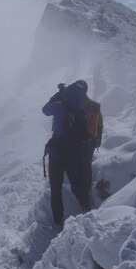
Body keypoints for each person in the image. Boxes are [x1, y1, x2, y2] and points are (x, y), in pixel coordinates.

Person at [42, 80, 94, 227]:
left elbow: (45, 110)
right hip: (74, 155)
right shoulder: (82, 111)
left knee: (56, 188)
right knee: (77, 184)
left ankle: (58, 220)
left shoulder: (58, 106)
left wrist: (57, 96)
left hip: (57, 155)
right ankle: (87, 209)